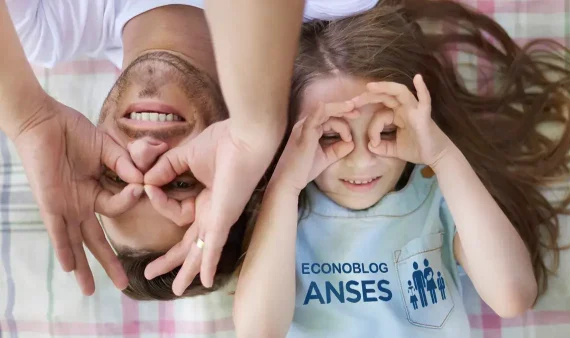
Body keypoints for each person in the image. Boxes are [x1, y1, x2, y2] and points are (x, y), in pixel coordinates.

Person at [232, 1, 570, 337]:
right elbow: (258, 331)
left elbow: (513, 296)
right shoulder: (285, 213)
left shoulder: (437, 197)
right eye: (330, 138)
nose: (362, 159)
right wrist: (284, 184)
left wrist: (442, 155)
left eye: (386, 131)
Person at [0, 0, 378, 299]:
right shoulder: (336, 3)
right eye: (180, 181)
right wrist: (256, 129)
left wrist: (26, 117)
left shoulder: (43, 29)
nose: (146, 151)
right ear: (244, 173)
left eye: (117, 175)